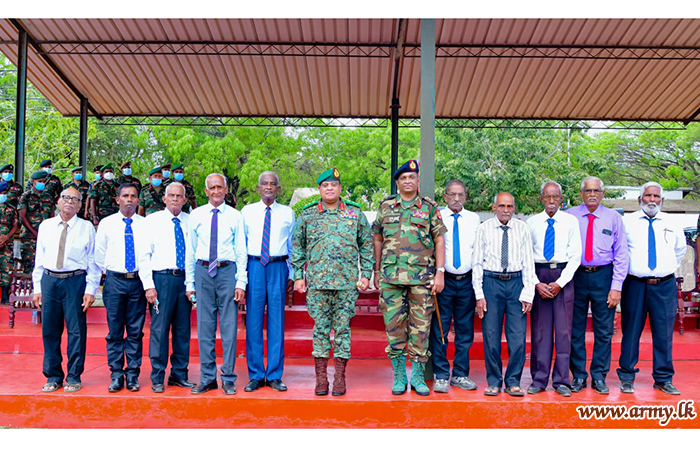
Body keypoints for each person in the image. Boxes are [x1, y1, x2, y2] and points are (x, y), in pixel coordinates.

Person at [292, 168, 373, 396]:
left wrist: (366, 274)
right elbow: (298, 247)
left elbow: (366, 245)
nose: (330, 188)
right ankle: (321, 379)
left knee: (342, 330)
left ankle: (339, 377)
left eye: (334, 185)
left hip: (346, 285)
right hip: (317, 284)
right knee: (319, 330)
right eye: (325, 185)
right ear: (319, 189)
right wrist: (298, 276)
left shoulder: (355, 214)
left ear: (339, 188)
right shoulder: (307, 215)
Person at [372, 160, 446, 396]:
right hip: (390, 277)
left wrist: (440, 272)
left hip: (422, 278)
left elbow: (439, 240)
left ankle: (417, 376)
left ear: (417, 181)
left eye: (411, 177)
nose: (407, 181)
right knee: (393, 328)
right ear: (397, 182)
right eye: (403, 178)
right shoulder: (385, 207)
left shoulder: (429, 208)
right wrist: (376, 271)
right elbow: (377, 238)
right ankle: (399, 375)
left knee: (420, 329)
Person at [617, 182, 686, 395]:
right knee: (631, 331)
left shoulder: (673, 223)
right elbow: (620, 252)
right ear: (640, 199)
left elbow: (680, 250)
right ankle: (627, 376)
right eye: (648, 196)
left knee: (664, 333)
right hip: (635, 284)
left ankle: (663, 379)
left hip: (664, 285)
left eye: (656, 196)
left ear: (662, 200)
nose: (652, 200)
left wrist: (663, 270)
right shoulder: (626, 222)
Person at [32, 187, 101, 393]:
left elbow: (93, 261)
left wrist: (91, 289)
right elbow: (40, 258)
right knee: (50, 330)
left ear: (80, 205)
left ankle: (74, 376)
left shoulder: (86, 227)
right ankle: (53, 375)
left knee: (76, 331)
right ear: (58, 201)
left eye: (75, 199)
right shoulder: (46, 226)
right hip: (50, 280)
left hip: (75, 281)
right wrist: (38, 287)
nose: (69, 202)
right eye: (66, 198)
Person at [185, 173, 248, 395]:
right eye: (211, 188)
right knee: (205, 327)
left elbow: (241, 250)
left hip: (227, 272)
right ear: (205, 191)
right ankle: (207, 377)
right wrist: (189, 282)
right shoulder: (196, 215)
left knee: (229, 327)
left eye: (219, 187)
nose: (215, 192)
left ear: (226, 189)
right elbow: (190, 250)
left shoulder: (235, 216)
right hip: (203, 271)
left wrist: (241, 282)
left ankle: (228, 378)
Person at [567, 176, 628, 395]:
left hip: (604, 276)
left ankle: (599, 376)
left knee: (604, 331)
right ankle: (579, 375)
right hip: (576, 276)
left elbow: (621, 252)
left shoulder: (613, 218)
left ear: (603, 194)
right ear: (581, 194)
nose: (592, 194)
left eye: (596, 191)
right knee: (575, 329)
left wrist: (616, 286)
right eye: (588, 191)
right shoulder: (570, 216)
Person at [473, 192, 536, 397]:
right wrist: (479, 294)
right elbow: (477, 263)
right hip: (491, 283)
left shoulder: (522, 228)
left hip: (516, 283)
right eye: (502, 206)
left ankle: (513, 381)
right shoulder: (483, 229)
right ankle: (493, 381)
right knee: (491, 336)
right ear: (494, 208)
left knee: (517, 337)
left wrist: (528, 293)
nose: (506, 210)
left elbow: (529, 262)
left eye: (510, 206)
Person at [526, 182, 581, 397]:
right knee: (540, 331)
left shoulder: (570, 221)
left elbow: (576, 256)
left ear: (561, 198)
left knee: (564, 331)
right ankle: (539, 379)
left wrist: (561, 283)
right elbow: (527, 255)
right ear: (541, 199)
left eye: (555, 197)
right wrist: (535, 282)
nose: (551, 201)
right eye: (547, 197)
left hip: (563, 275)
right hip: (539, 274)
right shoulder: (532, 223)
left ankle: (561, 380)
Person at [241, 171, 295, 392]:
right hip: (254, 266)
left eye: (273, 184)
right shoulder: (246, 212)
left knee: (276, 321)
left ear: (279, 189)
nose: (269, 187)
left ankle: (274, 374)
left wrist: (291, 273)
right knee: (253, 322)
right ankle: (255, 374)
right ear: (258, 187)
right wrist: (241, 277)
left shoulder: (288, 213)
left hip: (277, 266)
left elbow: (292, 246)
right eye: (265, 183)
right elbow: (240, 246)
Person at [141, 182, 195, 393]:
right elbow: (144, 255)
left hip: (184, 280)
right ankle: (157, 376)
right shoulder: (152, 221)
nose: (175, 199)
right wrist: (149, 286)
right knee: (159, 329)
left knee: (182, 330)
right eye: (171, 195)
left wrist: (192, 284)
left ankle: (179, 375)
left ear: (184, 199)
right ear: (164, 199)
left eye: (179, 196)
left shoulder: (191, 221)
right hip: (161, 279)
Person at [95, 183, 149, 393]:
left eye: (133, 196)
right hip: (114, 281)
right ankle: (116, 374)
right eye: (125, 196)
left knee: (135, 331)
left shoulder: (145, 225)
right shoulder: (107, 224)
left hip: (137, 281)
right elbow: (99, 255)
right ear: (117, 199)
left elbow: (147, 254)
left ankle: (133, 374)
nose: (129, 199)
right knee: (115, 331)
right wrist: (112, 272)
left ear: (138, 201)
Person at [430, 180, 480, 394]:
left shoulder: (474, 219)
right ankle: (441, 375)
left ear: (466, 197)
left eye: (461, 195)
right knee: (440, 329)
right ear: (445, 196)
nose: (457, 199)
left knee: (465, 330)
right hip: (444, 281)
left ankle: (460, 374)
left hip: (467, 281)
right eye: (452, 195)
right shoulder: (436, 216)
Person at [19, 170, 55, 274]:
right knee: (30, 267)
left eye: (44, 181)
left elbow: (52, 215)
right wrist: (35, 232)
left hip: (46, 237)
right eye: (39, 181)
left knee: (45, 266)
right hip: (29, 237)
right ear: (33, 181)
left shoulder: (48, 196)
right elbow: (22, 216)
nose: (42, 183)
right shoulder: (26, 196)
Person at [0, 181, 19, 304]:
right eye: (1, 193)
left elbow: (15, 225)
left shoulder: (11, 208)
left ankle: (5, 297)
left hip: (7, 242)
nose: (3, 195)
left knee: (6, 268)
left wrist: (5, 237)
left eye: (5, 193)